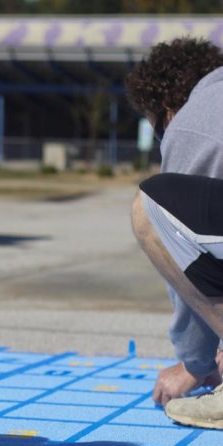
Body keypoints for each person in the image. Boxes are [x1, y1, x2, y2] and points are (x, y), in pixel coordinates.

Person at [126, 37, 223, 426]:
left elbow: (187, 255)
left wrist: (195, 363)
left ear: (165, 109)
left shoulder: (189, 124)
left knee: (150, 207)